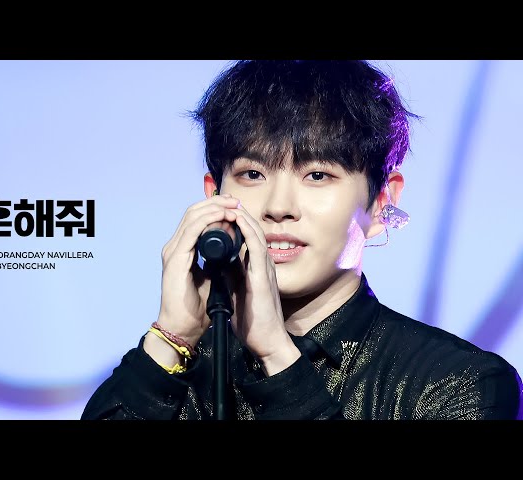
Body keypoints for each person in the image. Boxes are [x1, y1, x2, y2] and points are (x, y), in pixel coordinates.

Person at [81, 60, 523, 420]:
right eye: (252, 174)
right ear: (213, 196)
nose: (279, 207)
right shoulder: (181, 371)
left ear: (381, 201)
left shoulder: (459, 383)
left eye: (317, 175)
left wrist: (277, 355)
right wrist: (171, 337)